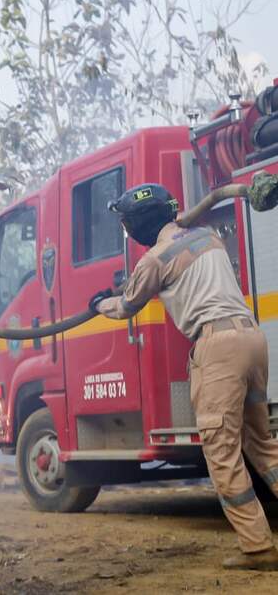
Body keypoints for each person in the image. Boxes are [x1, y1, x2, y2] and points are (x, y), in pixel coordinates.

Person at [93, 183, 278, 571]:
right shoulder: (207, 237)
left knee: (222, 452)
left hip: (217, 349)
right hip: (251, 337)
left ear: (140, 224)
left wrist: (99, 303)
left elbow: (126, 306)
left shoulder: (153, 261)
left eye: (128, 224)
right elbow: (180, 236)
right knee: (262, 445)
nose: (129, 232)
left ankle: (259, 548)